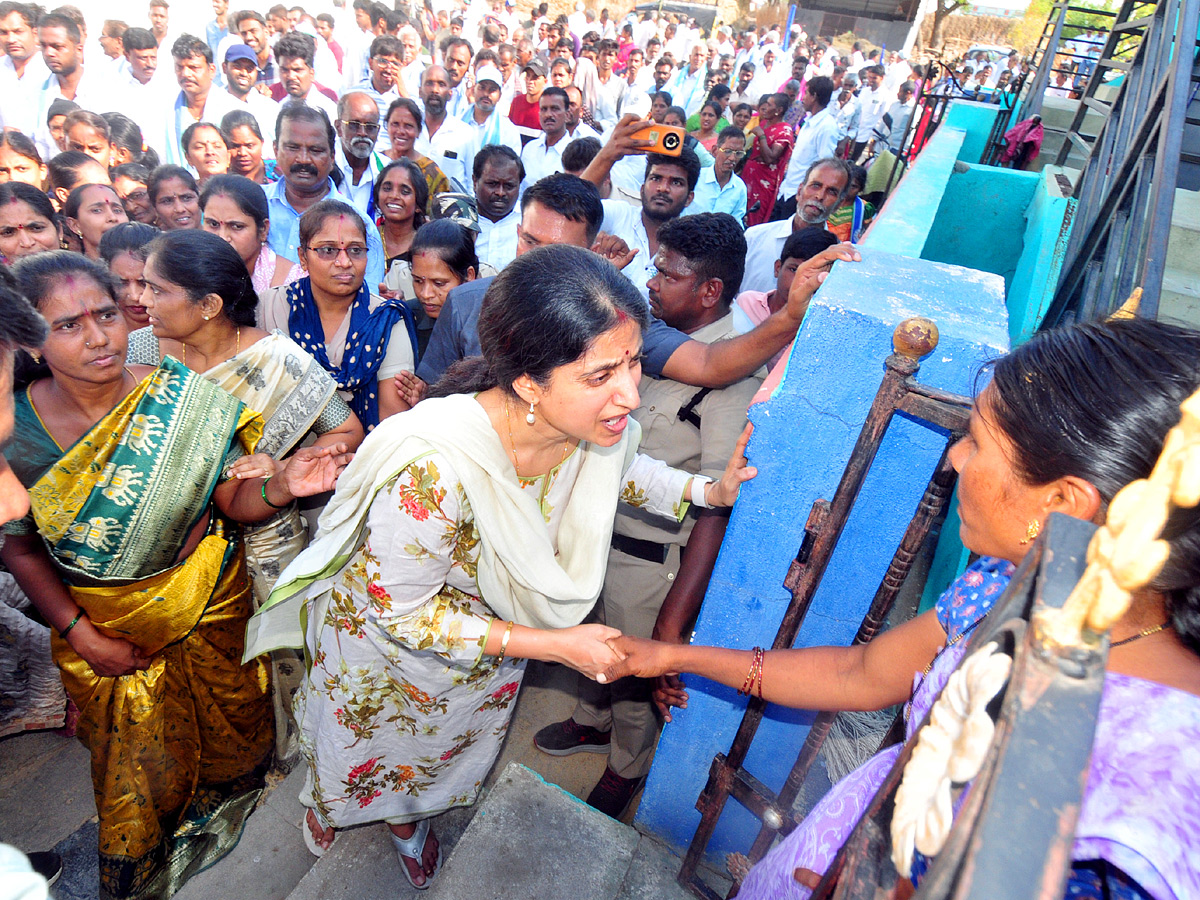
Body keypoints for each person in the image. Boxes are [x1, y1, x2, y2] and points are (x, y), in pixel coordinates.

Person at [602, 316, 1200, 900]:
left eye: (977, 443)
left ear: (1065, 504)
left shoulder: (1149, 803)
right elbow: (858, 673)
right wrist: (673, 653)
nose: (953, 460)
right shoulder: (1010, 584)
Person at [245, 242, 755, 888]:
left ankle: (409, 815)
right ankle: (332, 805)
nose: (629, 394)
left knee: (434, 752)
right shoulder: (433, 469)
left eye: (632, 363)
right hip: (391, 646)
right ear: (527, 383)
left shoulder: (593, 428)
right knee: (370, 746)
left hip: (486, 650)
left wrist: (710, 492)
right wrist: (551, 644)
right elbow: (403, 610)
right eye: (601, 375)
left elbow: (627, 474)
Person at [1, 250, 347, 900]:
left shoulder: (182, 396)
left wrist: (280, 487)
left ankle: (226, 809)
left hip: (215, 601)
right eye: (69, 324)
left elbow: (229, 501)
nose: (99, 336)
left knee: (237, 736)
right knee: (141, 769)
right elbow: (21, 552)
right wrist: (82, 634)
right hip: (108, 630)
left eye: (105, 313)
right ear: (28, 338)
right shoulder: (17, 433)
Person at [535, 214, 763, 818]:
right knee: (587, 636)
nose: (652, 280)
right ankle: (590, 720)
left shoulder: (734, 380)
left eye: (667, 272)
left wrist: (675, 621)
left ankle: (625, 767)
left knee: (633, 668)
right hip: (599, 535)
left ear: (710, 290)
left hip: (650, 555)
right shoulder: (653, 343)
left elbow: (719, 500)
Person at [124, 228, 364, 767]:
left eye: (156, 290)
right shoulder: (140, 351)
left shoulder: (278, 359)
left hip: (265, 545)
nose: (141, 301)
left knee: (278, 655)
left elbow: (348, 432)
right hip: (172, 550)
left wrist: (281, 466)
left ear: (209, 305)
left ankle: (291, 756)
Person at [258, 198, 415, 428]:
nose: (344, 262)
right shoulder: (269, 306)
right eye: (328, 250)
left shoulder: (385, 319)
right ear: (303, 258)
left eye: (355, 250)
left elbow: (392, 423)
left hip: (364, 454)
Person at [581, 119, 701, 301]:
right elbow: (571, 205)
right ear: (642, 188)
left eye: (676, 182)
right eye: (656, 178)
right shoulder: (619, 214)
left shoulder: (694, 245)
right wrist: (608, 155)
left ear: (689, 198)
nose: (663, 188)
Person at [267, 104, 386, 288]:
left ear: (332, 157)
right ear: (275, 150)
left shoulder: (358, 224)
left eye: (315, 150)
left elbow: (368, 299)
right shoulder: (251, 206)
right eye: (293, 147)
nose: (304, 159)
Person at [732, 225, 837, 368]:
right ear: (777, 268)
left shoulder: (818, 328)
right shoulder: (746, 303)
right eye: (793, 270)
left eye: (812, 276)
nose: (799, 281)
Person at [740, 157, 850, 293]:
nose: (820, 196)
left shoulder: (837, 260)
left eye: (831, 192)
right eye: (815, 185)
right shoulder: (754, 237)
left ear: (838, 205)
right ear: (799, 191)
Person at [200, 174, 302, 292]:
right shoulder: (188, 275)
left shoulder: (291, 283)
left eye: (237, 226)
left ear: (263, 229)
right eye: (213, 224)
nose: (222, 237)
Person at [162, 34, 240, 167]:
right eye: (180, 67)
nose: (185, 74)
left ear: (211, 70)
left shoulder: (233, 109)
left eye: (193, 68)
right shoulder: (165, 111)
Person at [407, 218, 477, 360]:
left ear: (469, 276)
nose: (426, 294)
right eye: (418, 281)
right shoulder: (406, 319)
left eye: (439, 283)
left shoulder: (491, 324)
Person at [775, 75, 838, 220]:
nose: (802, 97)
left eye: (806, 93)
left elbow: (825, 166)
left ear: (814, 96)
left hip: (800, 194)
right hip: (787, 189)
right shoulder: (809, 121)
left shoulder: (827, 127)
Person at [382, 98, 451, 210]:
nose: (400, 131)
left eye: (408, 126)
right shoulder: (375, 163)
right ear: (387, 127)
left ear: (419, 131)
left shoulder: (431, 172)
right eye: (395, 124)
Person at [414, 63, 475, 191]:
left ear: (450, 94)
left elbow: (473, 184)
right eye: (429, 83)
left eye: (441, 84)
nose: (435, 90)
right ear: (420, 91)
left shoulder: (465, 134)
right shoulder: (410, 129)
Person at [741, 92, 794, 227]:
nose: (765, 107)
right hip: (749, 176)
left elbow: (770, 158)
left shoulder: (784, 131)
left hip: (763, 182)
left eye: (769, 104)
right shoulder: (764, 123)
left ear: (778, 110)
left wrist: (761, 136)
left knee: (753, 219)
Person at [334, 90, 388, 217]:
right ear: (338, 127)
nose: (362, 133)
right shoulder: (323, 167)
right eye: (354, 125)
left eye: (370, 126)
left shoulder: (387, 170)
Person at [98, 220, 158, 329]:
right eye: (121, 283)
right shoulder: (100, 333)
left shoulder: (182, 334)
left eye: (144, 283)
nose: (135, 296)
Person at [472, 144, 522, 271]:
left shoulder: (529, 222)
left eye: (509, 186)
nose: (500, 192)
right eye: (492, 184)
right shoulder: (459, 219)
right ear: (475, 182)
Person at [685, 125, 748, 221]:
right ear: (715, 150)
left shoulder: (739, 188)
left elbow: (737, 222)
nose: (732, 158)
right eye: (728, 151)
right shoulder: (696, 178)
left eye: (738, 153)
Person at [374, 157, 428, 268]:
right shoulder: (368, 239)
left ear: (418, 204)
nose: (394, 196)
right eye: (387, 188)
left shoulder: (426, 247)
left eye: (405, 192)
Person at [521, 85, 572, 188]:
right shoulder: (529, 149)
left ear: (567, 115)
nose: (548, 114)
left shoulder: (574, 154)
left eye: (555, 109)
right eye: (544, 109)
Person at [62, 183, 128, 260]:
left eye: (117, 210)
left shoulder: (144, 267)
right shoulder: (72, 271)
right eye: (97, 210)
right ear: (75, 225)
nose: (112, 217)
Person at [0, 183, 62, 263]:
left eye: (36, 228)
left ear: (59, 230)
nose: (27, 243)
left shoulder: (82, 271)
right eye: (8, 232)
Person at [825, 163, 874, 243]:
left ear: (860, 189)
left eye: (853, 186)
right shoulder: (828, 199)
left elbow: (867, 233)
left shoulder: (864, 208)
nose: (847, 189)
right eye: (846, 184)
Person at [221, 109, 273, 184]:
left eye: (249, 146)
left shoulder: (280, 172)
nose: (242, 153)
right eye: (235, 146)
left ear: (262, 143)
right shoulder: (220, 181)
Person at [148, 164, 201, 230]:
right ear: (154, 208)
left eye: (187, 198)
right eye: (167, 201)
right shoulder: (150, 239)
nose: (180, 209)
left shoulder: (217, 236)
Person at [182, 121, 231, 186]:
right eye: (199, 147)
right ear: (188, 158)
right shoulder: (186, 193)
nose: (210, 152)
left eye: (217, 146)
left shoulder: (244, 191)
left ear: (228, 156)